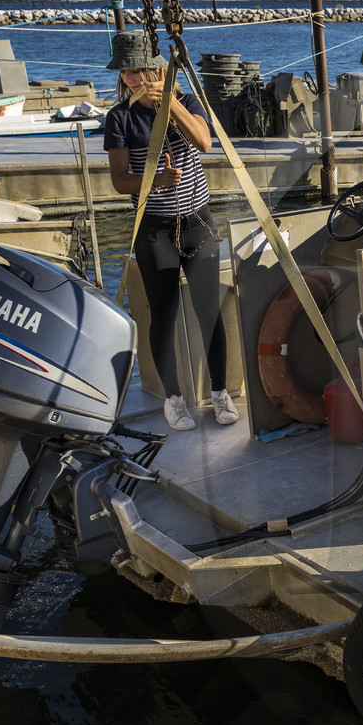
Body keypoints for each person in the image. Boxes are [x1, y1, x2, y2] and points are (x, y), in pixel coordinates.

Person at [102, 30, 238, 432]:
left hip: (197, 222)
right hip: (155, 231)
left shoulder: (187, 100)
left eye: (141, 68)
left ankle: (219, 392)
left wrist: (171, 104)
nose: (134, 77)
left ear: (159, 67)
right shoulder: (119, 118)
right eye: (126, 70)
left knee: (208, 312)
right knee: (162, 317)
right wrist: (158, 180)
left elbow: (205, 142)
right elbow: (120, 180)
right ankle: (175, 399)